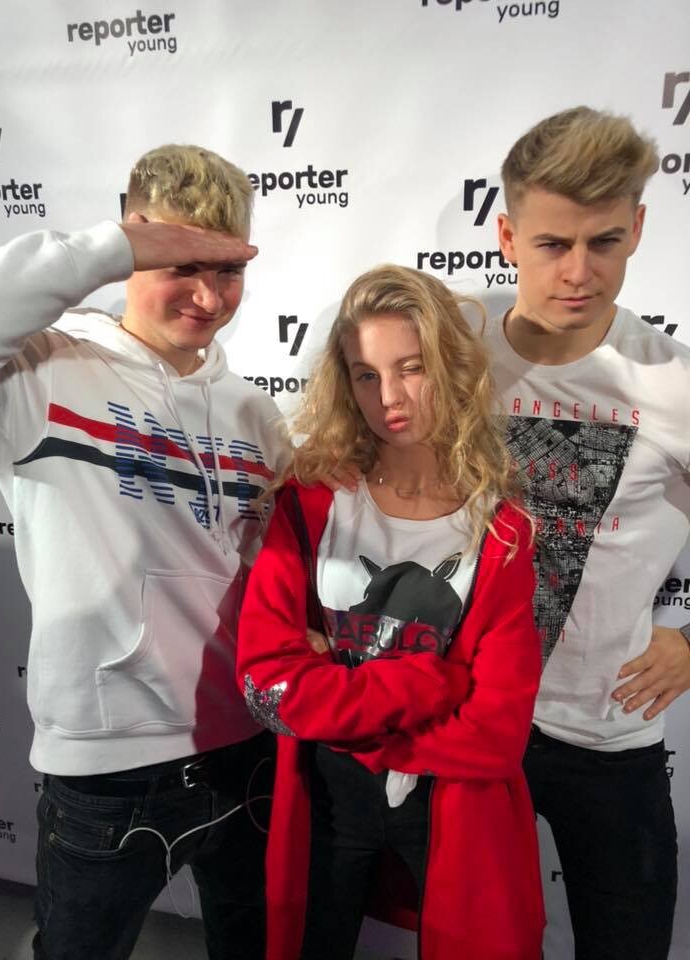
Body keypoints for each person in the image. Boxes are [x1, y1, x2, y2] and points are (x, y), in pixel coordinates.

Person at [0, 145, 289, 960]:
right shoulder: (45, 371)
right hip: (107, 772)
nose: (208, 296)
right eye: (182, 263)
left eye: (229, 271)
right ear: (133, 242)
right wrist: (110, 249)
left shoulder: (256, 413)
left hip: (248, 752)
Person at [236, 265, 545, 960]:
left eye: (411, 368)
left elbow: (495, 736)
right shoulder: (311, 502)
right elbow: (266, 686)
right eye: (366, 375)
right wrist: (432, 682)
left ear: (450, 367)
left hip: (451, 800)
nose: (390, 398)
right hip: (325, 797)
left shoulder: (499, 530)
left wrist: (339, 702)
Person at [487, 106, 690, 959]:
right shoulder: (450, 344)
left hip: (606, 731)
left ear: (638, 229)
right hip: (471, 715)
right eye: (552, 244)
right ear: (507, 237)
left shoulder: (673, 385)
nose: (579, 272)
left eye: (604, 242)